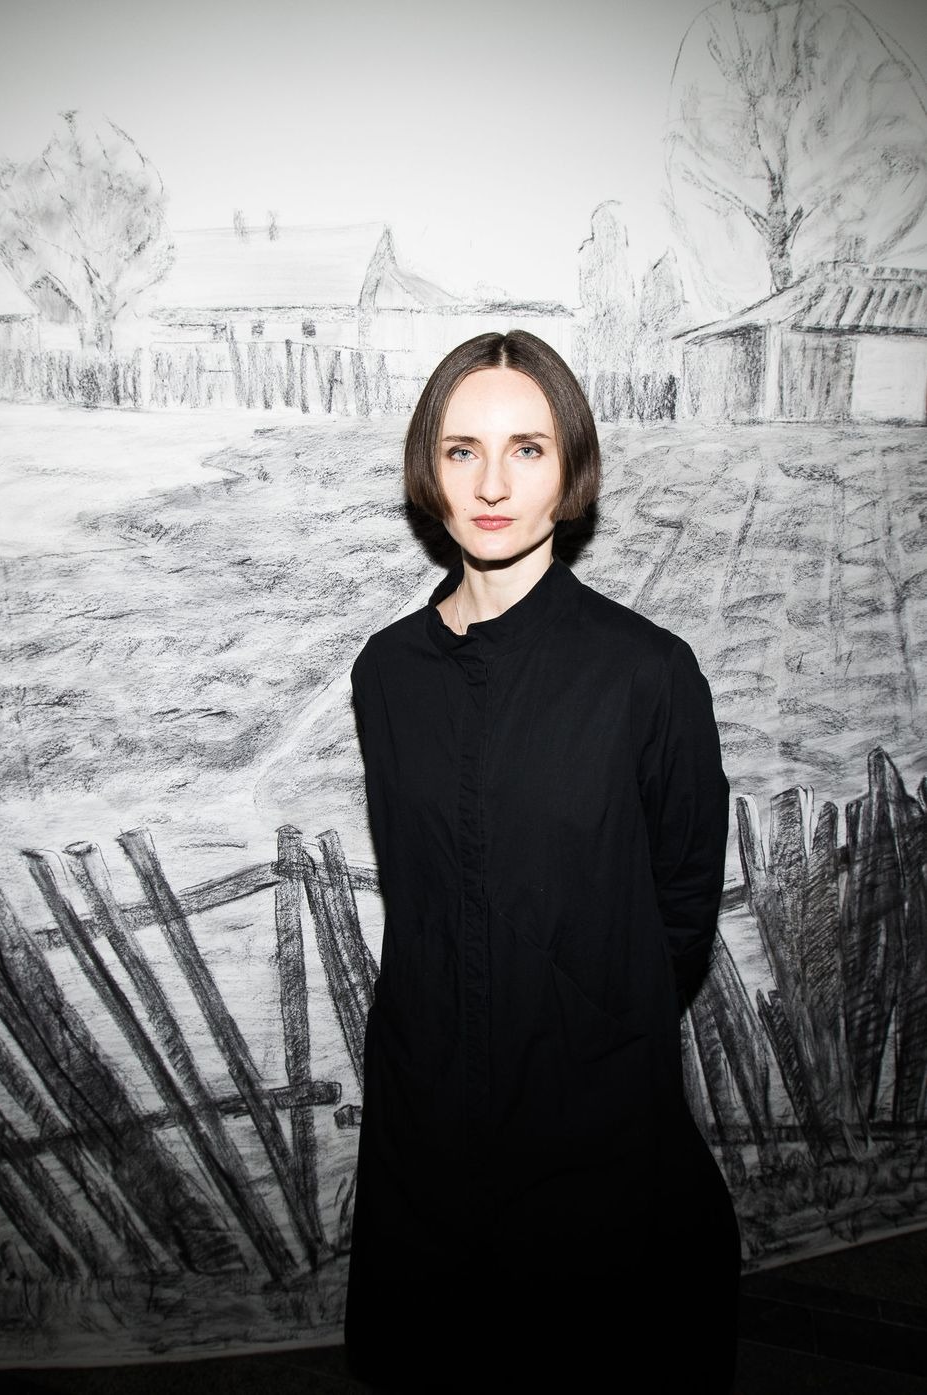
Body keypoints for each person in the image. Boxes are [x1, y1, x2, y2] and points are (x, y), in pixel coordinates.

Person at [344, 331, 740, 1393]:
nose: (491, 484)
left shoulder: (648, 674)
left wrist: (591, 1015)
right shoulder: (386, 673)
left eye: (526, 449)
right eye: (462, 450)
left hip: (591, 1119)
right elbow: (420, 890)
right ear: (429, 469)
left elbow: (683, 908)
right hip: (428, 1113)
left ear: (570, 471)